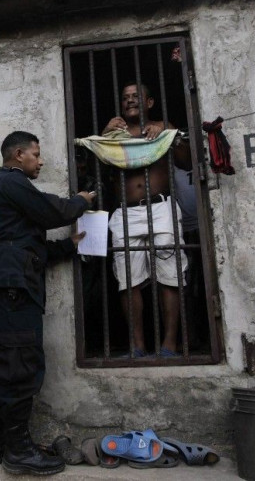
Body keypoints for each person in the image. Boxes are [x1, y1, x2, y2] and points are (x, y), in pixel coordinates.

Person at [0, 131, 96, 475]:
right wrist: (81, 201)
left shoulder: (8, 197)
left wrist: (69, 246)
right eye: (36, 155)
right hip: (11, 291)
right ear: (17, 155)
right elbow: (50, 211)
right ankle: (19, 451)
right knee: (18, 369)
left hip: (1, 289)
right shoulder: (11, 182)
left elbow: (30, 248)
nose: (40, 161)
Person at [102, 82, 192, 357]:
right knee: (127, 280)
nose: (130, 101)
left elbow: (187, 162)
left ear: (150, 102)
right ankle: (137, 346)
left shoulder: (162, 126)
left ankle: (169, 344)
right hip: (126, 212)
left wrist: (171, 134)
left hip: (160, 207)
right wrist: (105, 136)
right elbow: (98, 168)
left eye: (136, 97)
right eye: (125, 98)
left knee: (170, 275)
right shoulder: (113, 132)